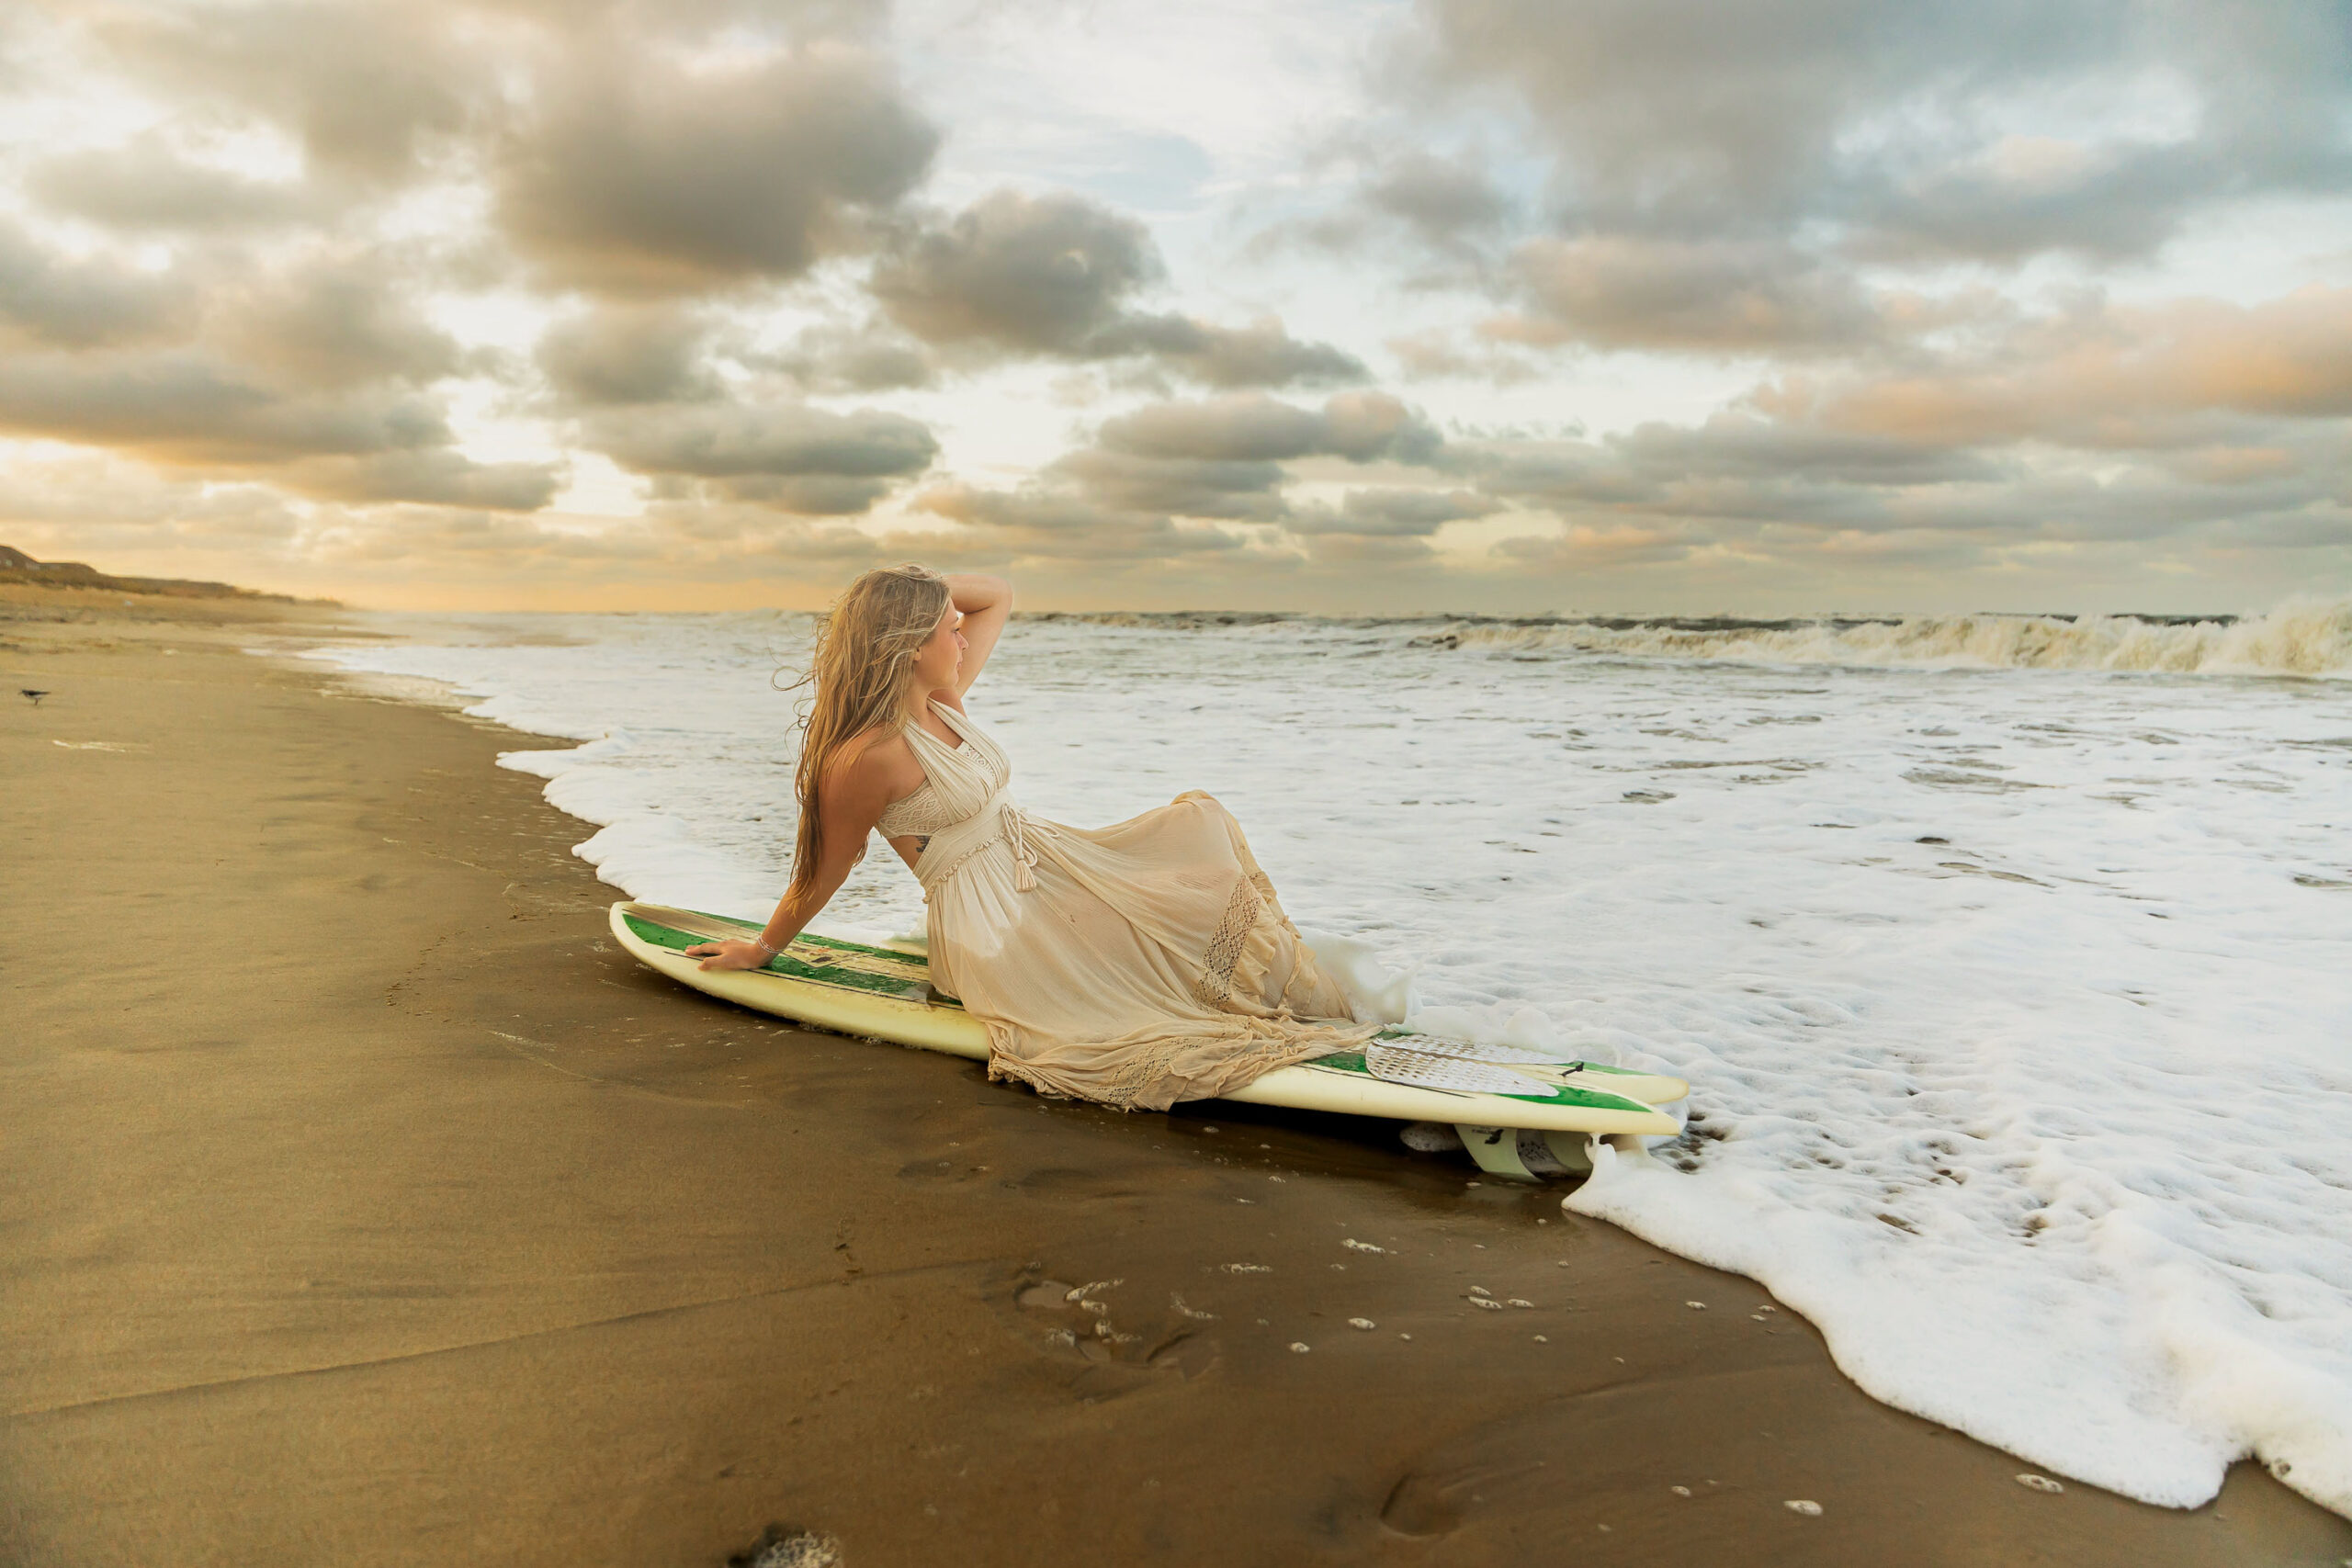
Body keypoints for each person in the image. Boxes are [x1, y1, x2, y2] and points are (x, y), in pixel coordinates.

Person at [684, 563, 1377, 1111]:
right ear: (908, 646)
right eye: (946, 630)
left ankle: (1319, 1012)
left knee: (1203, 851)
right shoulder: (867, 756)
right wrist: (763, 948)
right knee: (1186, 921)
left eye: (956, 628)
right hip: (992, 924)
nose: (963, 638)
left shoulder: (941, 697)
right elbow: (828, 869)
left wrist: (911, 597)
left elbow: (997, 594)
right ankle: (1289, 1020)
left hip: (1043, 862)